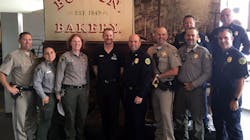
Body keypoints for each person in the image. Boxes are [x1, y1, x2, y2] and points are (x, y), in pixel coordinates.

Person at [174, 15, 212, 133]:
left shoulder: (203, 52)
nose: (190, 37)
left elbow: (208, 73)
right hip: (181, 89)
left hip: (196, 90)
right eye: (188, 35)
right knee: (180, 118)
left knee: (197, 119)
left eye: (193, 35)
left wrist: (193, 84)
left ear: (197, 37)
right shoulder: (180, 51)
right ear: (184, 37)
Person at [211, 28, 249, 140]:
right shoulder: (217, 54)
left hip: (230, 98)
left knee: (233, 129)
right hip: (217, 97)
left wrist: (236, 99)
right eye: (220, 38)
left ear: (232, 38)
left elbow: (241, 81)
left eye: (225, 38)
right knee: (218, 126)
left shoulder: (239, 57)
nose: (222, 40)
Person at [0, 32, 38, 140]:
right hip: (21, 93)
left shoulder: (33, 56)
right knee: (20, 121)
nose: (27, 42)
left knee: (32, 119)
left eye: (30, 39)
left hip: (33, 92)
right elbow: (1, 73)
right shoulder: (13, 55)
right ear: (19, 41)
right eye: (25, 39)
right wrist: (9, 88)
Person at [147, 27, 181, 140]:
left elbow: (175, 71)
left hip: (166, 87)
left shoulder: (172, 49)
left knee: (166, 115)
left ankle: (169, 138)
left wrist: (159, 76)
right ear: (154, 36)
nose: (160, 37)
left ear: (166, 36)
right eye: (158, 34)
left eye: (163, 34)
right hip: (154, 87)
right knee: (158, 116)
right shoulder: (150, 50)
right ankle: (159, 137)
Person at [55, 34, 89, 140]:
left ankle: (80, 136)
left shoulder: (85, 57)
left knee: (82, 116)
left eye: (79, 41)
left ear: (82, 43)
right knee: (70, 117)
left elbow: (87, 74)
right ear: (70, 43)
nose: (77, 43)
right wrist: (57, 91)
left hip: (82, 90)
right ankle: (71, 137)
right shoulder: (65, 57)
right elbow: (59, 74)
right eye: (74, 41)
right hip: (69, 91)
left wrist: (88, 89)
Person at [92, 28, 123, 140]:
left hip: (114, 87)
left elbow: (121, 69)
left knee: (114, 114)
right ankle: (105, 136)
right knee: (104, 113)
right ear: (103, 36)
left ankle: (113, 136)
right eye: (106, 35)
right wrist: (102, 78)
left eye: (110, 35)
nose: (108, 37)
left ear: (113, 36)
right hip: (101, 86)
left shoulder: (119, 51)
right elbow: (95, 68)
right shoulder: (97, 51)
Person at [123, 34, 153, 140]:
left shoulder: (145, 58)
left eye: (135, 42)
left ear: (140, 43)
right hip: (128, 95)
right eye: (131, 42)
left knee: (138, 123)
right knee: (129, 122)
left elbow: (146, 79)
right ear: (128, 43)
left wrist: (140, 95)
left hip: (139, 95)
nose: (133, 44)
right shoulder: (127, 56)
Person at [33, 47, 57, 140]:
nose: (50, 55)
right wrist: (43, 96)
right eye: (47, 53)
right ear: (43, 55)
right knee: (45, 121)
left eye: (51, 52)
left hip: (55, 95)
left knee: (54, 120)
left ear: (55, 53)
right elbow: (36, 83)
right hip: (47, 96)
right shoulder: (41, 67)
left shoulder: (56, 65)